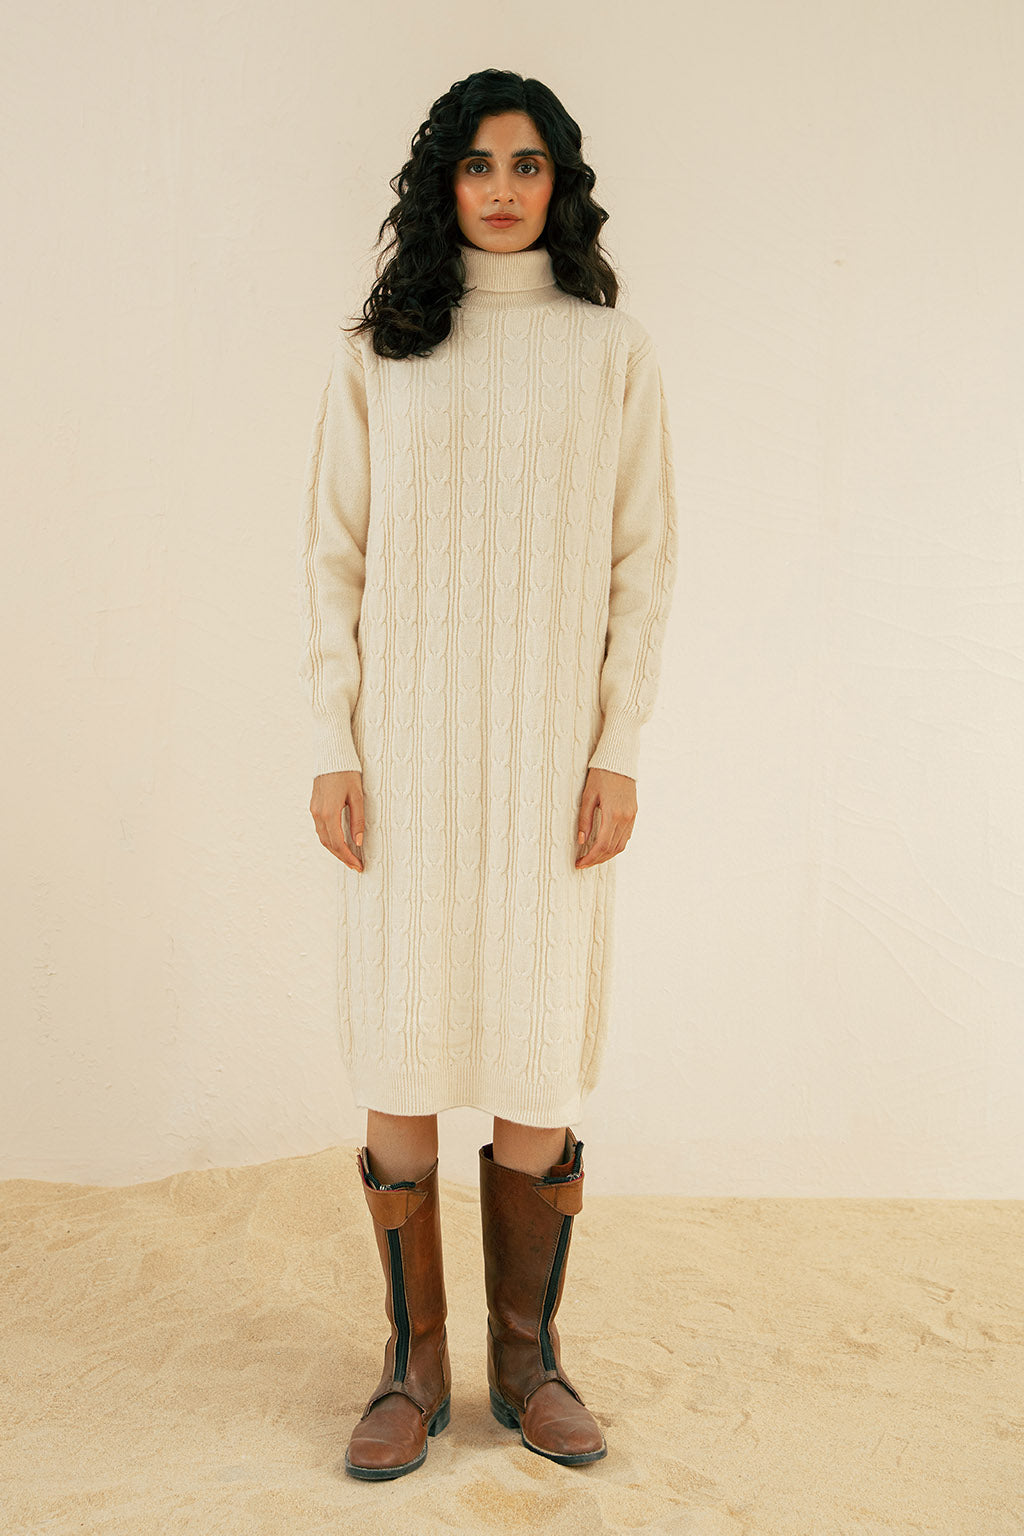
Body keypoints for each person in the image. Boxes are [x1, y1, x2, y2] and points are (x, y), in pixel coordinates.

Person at [297, 68, 679, 1480]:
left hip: (547, 766)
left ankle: (529, 1364)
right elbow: (332, 559)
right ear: (440, 185)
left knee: (534, 1035)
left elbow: (644, 564)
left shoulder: (609, 349)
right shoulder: (380, 354)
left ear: (559, 183)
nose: (503, 189)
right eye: (476, 165)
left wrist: (618, 747)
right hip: (406, 759)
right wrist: (335, 742)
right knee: (405, 1036)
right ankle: (413, 1369)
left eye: (527, 164)